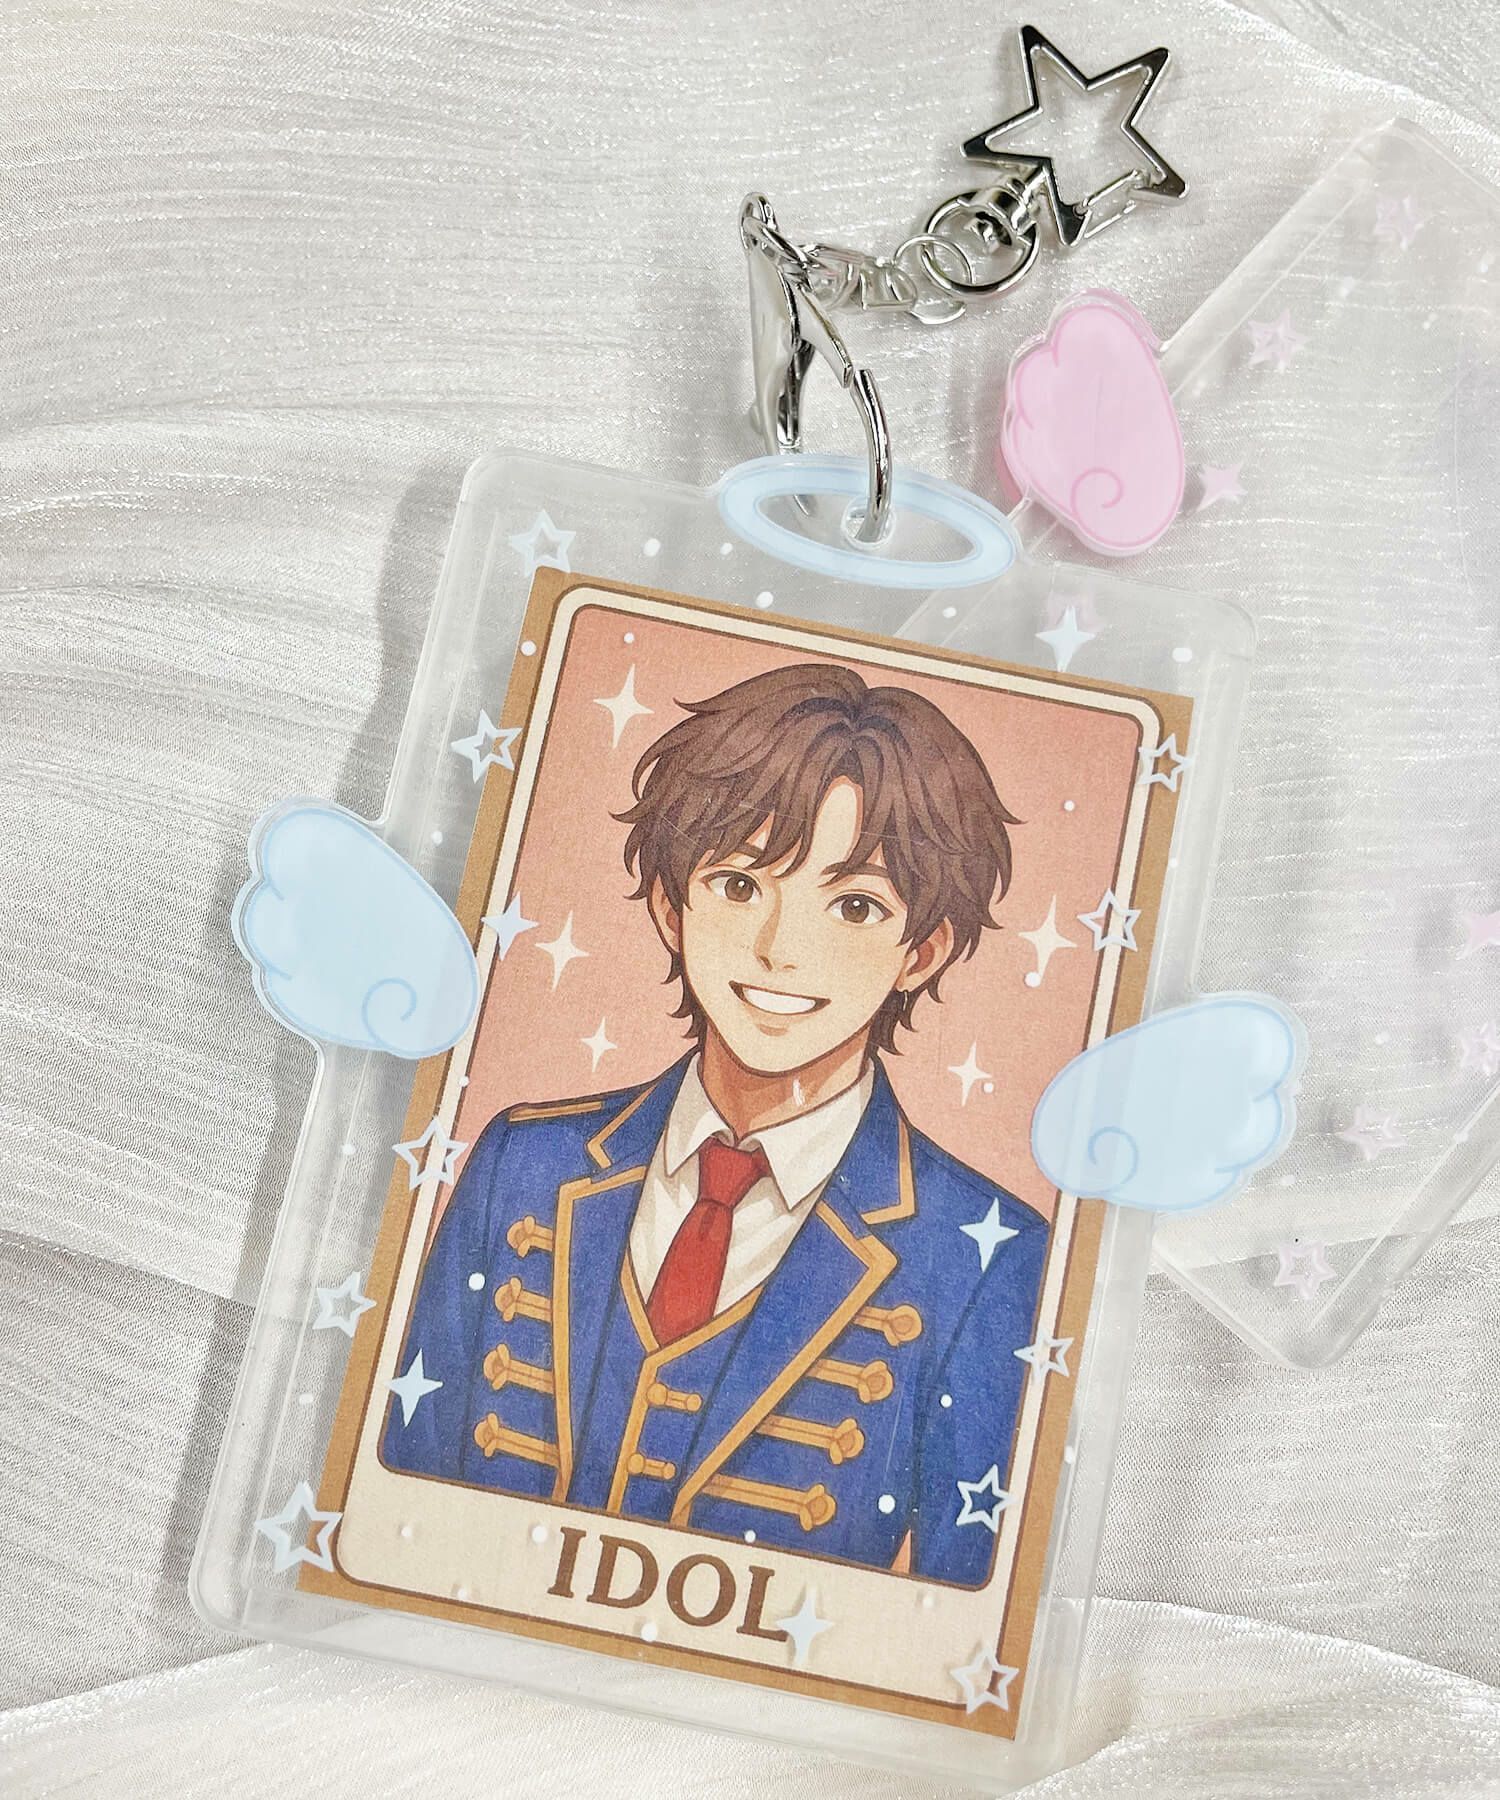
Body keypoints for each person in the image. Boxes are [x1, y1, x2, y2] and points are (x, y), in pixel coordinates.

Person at [383, 662, 1049, 1586]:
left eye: (855, 907)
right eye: (739, 885)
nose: (781, 949)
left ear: (922, 952)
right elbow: (398, 1502)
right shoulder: (523, 1161)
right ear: (671, 906)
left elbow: (961, 1606)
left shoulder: (984, 1252)